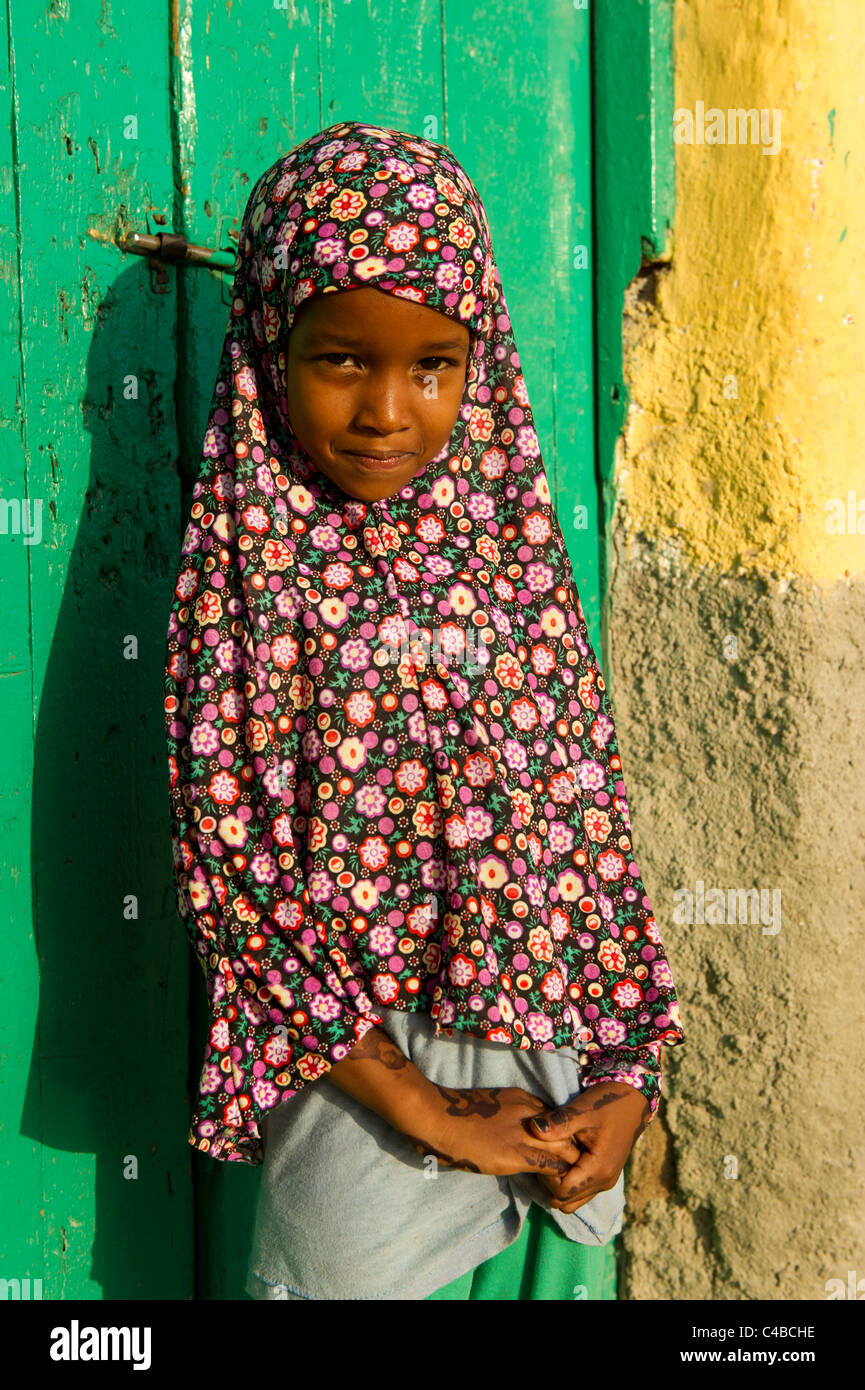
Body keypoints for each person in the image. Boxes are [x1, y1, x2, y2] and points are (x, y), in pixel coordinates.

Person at [163, 120, 686, 1301]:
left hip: (554, 1092)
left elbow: (586, 825)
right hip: (361, 1086)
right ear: (266, 348)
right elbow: (233, 880)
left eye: (433, 365)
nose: (388, 411)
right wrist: (431, 1113)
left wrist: (627, 1068)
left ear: (478, 358)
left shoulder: (511, 555)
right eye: (341, 359)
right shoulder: (251, 576)